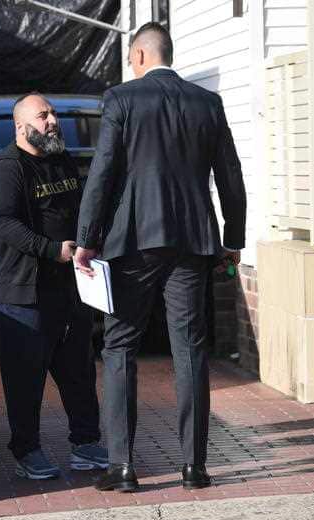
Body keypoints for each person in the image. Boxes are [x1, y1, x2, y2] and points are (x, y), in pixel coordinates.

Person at [74, 23, 247, 492]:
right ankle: (195, 466)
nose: (131, 65)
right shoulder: (206, 103)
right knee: (189, 349)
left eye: (132, 58)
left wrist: (86, 237)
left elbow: (103, 172)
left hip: (134, 241)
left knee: (120, 347)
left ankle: (123, 466)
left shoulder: (122, 99)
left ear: (140, 54)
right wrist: (234, 236)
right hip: (192, 241)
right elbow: (230, 173)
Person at [0, 93, 108, 480]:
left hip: (69, 287)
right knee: (26, 379)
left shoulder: (61, 158)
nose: (53, 120)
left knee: (79, 370)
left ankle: (86, 444)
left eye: (52, 113)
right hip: (24, 292)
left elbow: (77, 208)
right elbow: (4, 223)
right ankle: (26, 449)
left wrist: (88, 241)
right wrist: (52, 250)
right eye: (43, 115)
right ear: (21, 126)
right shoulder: (7, 168)